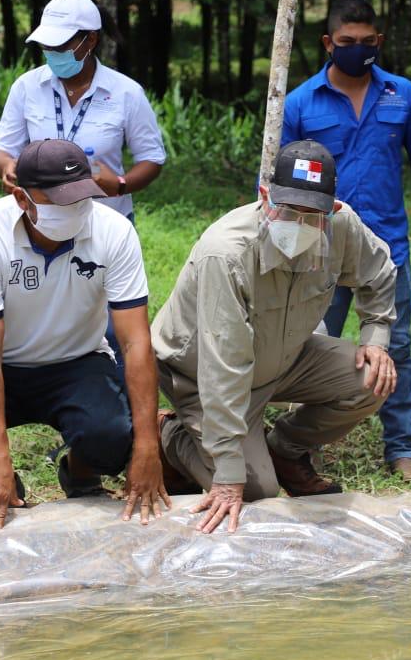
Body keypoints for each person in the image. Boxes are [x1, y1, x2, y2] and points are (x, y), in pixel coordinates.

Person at [0, 139, 167, 535]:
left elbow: (135, 343)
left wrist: (148, 446)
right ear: (20, 197)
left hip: (78, 362)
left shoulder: (113, 232)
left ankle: (80, 472)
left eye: (80, 198)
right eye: (57, 201)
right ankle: (0, 477)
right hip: (1, 362)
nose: (73, 210)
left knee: (115, 435)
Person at [153, 140, 398, 533]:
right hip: (200, 374)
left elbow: (379, 273)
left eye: (311, 214)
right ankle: (171, 432)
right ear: (266, 196)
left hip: (286, 357)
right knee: (252, 490)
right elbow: (223, 364)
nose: (297, 222)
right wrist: (229, 473)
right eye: (287, 209)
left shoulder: (342, 226)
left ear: (331, 212)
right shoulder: (227, 254)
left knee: (372, 378)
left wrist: (375, 336)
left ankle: (284, 449)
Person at [282, 0, 411, 481]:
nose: (357, 50)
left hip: (386, 248)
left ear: (379, 41)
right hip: (317, 251)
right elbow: (277, 179)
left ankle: (401, 450)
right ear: (329, 43)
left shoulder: (402, 95)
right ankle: (304, 445)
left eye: (366, 42)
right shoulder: (300, 103)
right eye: (346, 42)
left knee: (394, 348)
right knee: (308, 345)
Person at [0, 0, 167, 377]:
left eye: (61, 44)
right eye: (46, 45)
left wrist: (119, 183)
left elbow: (152, 158)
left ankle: (125, 413)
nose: (52, 53)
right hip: (38, 224)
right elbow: (0, 148)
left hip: (102, 223)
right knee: (37, 313)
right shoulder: (27, 88)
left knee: (116, 325)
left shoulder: (125, 93)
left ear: (90, 40)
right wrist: (7, 168)